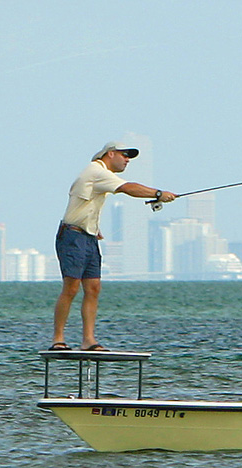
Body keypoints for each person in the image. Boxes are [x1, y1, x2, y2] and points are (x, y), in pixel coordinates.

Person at [50, 141, 177, 351]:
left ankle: (88, 340)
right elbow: (128, 188)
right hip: (72, 237)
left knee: (93, 288)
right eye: (125, 155)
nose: (127, 159)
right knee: (71, 287)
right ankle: (58, 339)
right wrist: (158, 194)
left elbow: (86, 203)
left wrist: (93, 226)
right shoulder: (97, 170)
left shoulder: (99, 174)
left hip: (87, 236)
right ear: (110, 154)